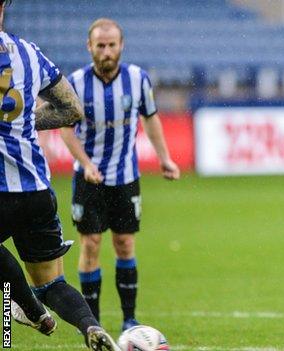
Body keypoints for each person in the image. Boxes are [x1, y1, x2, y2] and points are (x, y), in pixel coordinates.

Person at [0, 1, 120, 350]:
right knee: (52, 283)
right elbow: (71, 109)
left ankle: (30, 311)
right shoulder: (28, 52)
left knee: (18, 284)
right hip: (36, 189)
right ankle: (90, 327)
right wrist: (22, 122)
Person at [60, 18, 180, 332]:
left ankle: (129, 319)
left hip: (126, 176)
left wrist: (164, 158)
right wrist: (86, 163)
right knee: (91, 244)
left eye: (112, 45)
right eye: (100, 46)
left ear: (121, 46)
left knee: (125, 244)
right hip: (89, 177)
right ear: (90, 47)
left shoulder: (138, 79)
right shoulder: (75, 82)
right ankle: (93, 323)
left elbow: (151, 120)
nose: (107, 51)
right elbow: (66, 130)